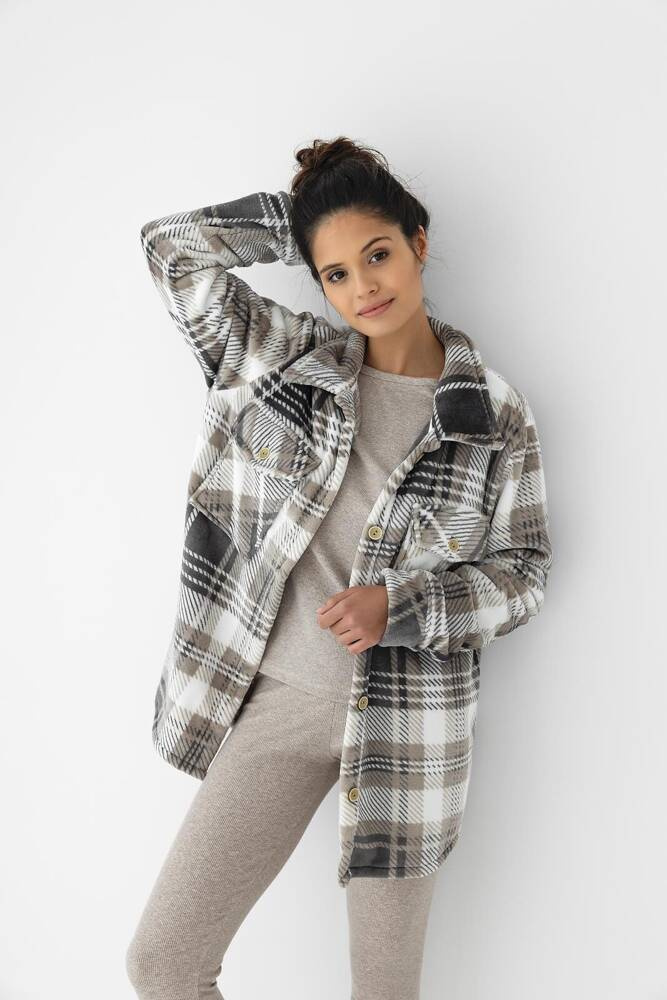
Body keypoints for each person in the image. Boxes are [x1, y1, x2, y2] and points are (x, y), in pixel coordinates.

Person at [126, 136, 553, 1000]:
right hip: (276, 704)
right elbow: (171, 249)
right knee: (165, 962)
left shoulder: (491, 416)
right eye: (336, 273)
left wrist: (402, 605)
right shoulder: (282, 360)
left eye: (378, 254)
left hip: (408, 732)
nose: (364, 286)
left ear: (418, 244)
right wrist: (304, 217)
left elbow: (524, 569)